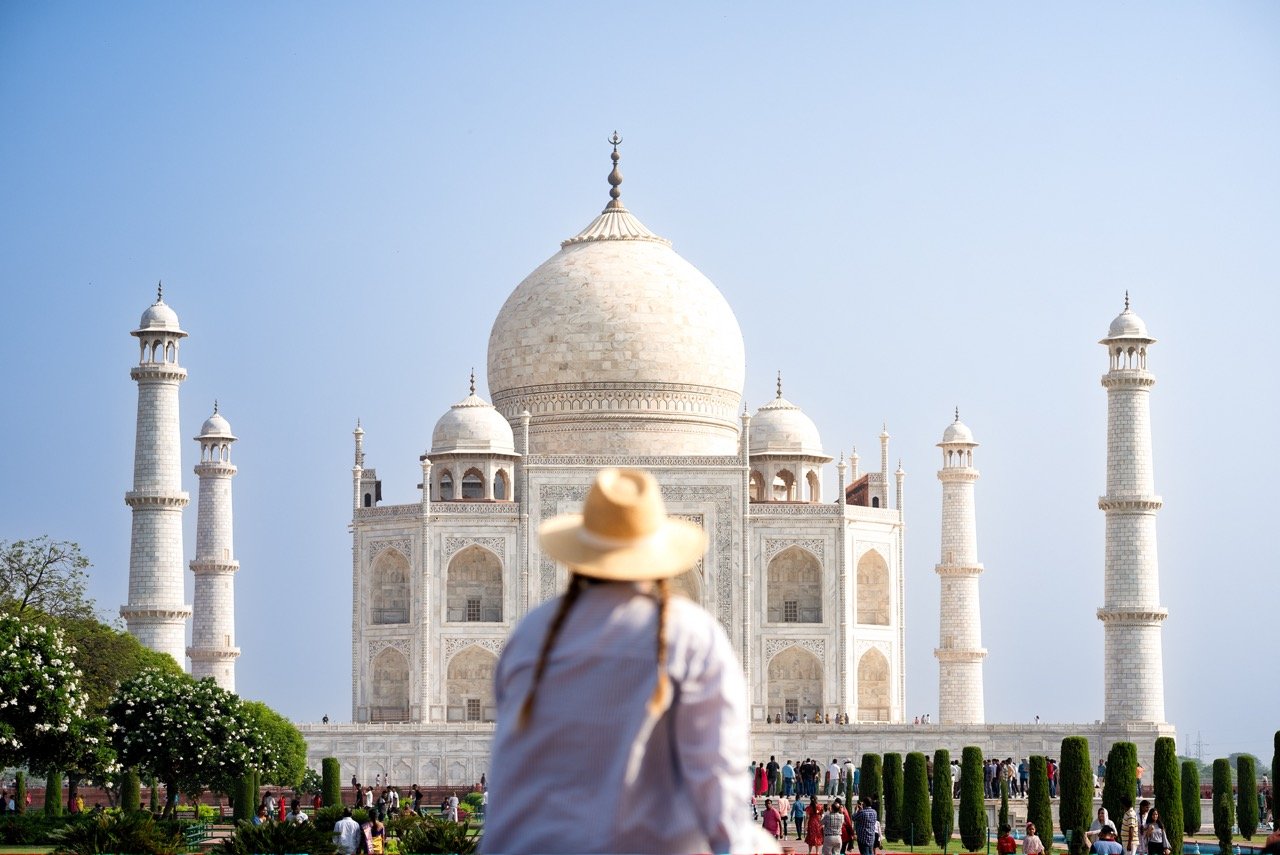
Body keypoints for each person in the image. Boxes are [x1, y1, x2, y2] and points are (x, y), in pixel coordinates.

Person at [476, 469, 765, 855]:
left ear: (578, 552)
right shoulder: (690, 635)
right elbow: (718, 787)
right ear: (659, 554)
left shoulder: (531, 634)